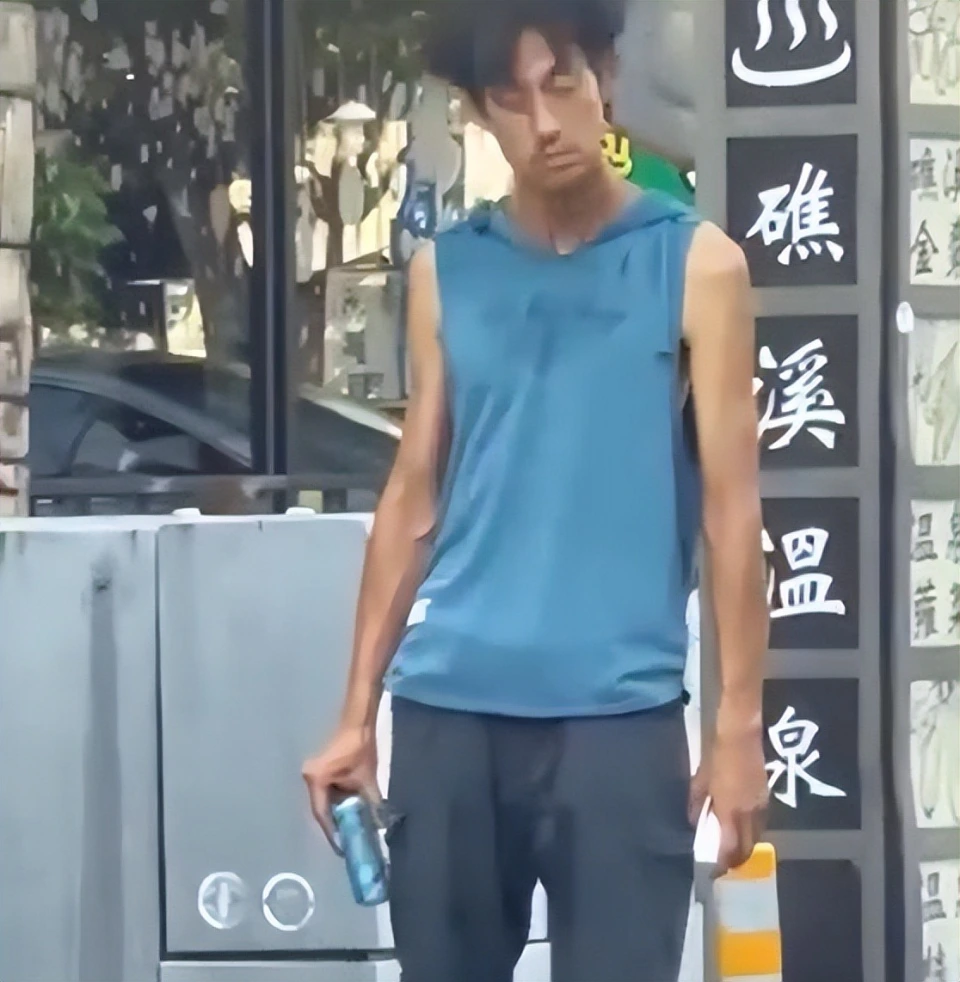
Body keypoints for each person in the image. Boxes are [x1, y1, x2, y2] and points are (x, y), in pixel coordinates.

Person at [303, 2, 770, 980]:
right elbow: (414, 496)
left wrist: (737, 731)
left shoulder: (697, 264)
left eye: (562, 83)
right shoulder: (447, 270)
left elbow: (732, 513)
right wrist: (354, 715)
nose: (545, 122)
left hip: (620, 720)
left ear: (607, 78)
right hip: (448, 712)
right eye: (511, 99)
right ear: (479, 113)